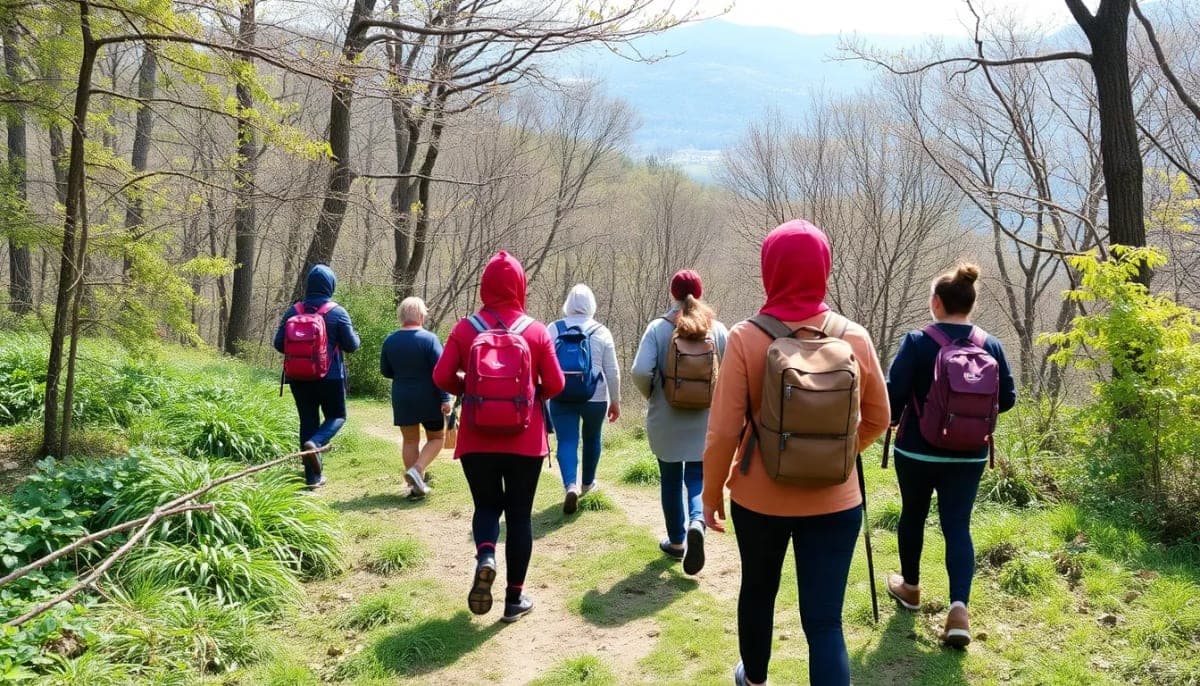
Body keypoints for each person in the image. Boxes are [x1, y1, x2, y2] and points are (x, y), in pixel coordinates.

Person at [701, 220, 890, 686]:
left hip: (759, 499)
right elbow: (879, 418)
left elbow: (723, 431)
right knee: (825, 621)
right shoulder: (854, 337)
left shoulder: (747, 338)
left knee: (759, 593)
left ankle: (755, 679)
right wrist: (840, 456)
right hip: (835, 501)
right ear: (824, 268)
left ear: (771, 269)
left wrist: (710, 494)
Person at [884, 263, 1016, 648]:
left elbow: (894, 394)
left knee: (913, 514)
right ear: (970, 305)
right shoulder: (990, 345)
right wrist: (971, 421)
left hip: (917, 451)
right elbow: (1006, 398)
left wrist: (893, 419)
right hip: (970, 455)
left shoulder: (916, 341)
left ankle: (910, 588)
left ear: (936, 303)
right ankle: (959, 609)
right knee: (957, 526)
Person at [433, 251, 565, 623]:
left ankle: (486, 556)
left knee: (487, 506)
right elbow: (555, 384)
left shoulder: (465, 328)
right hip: (525, 441)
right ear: (520, 286)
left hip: (477, 438)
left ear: (484, 286)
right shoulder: (536, 331)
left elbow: (441, 377)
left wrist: (471, 386)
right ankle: (513, 600)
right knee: (520, 516)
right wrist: (526, 391)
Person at [632, 269, 728, 576]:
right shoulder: (718, 330)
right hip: (705, 420)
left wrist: (654, 395)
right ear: (699, 293)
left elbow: (639, 371)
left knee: (671, 479)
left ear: (672, 294)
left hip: (667, 418)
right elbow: (728, 373)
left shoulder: (658, 329)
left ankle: (676, 542)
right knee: (697, 477)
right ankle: (697, 521)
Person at [273, 264, 361, 490]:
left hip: (299, 379)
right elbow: (351, 345)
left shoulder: (294, 311)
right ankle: (317, 443)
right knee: (337, 416)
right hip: (330, 377)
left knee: (308, 422)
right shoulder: (338, 312)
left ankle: (312, 479)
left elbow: (278, 344)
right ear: (330, 285)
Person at [548, 284, 621, 514]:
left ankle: (571, 485)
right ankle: (588, 483)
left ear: (568, 304)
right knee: (592, 438)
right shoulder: (601, 331)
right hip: (595, 396)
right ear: (592, 305)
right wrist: (615, 401)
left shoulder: (553, 329)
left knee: (567, 441)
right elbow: (613, 370)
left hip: (561, 395)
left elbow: (544, 365)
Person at [380, 296, 453, 499]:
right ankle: (418, 469)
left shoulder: (390, 340)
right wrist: (445, 398)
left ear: (401, 316)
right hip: (428, 397)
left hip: (402, 397)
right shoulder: (429, 339)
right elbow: (441, 371)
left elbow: (385, 371)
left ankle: (414, 488)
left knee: (410, 440)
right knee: (437, 438)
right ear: (421, 315)